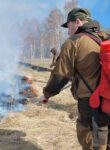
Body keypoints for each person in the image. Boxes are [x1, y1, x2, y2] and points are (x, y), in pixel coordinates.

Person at [40, 8, 110, 150]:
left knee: (90, 141)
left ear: (77, 22)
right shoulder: (106, 37)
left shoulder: (73, 42)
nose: (68, 31)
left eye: (69, 26)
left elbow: (60, 76)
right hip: (109, 99)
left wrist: (46, 94)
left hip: (91, 103)